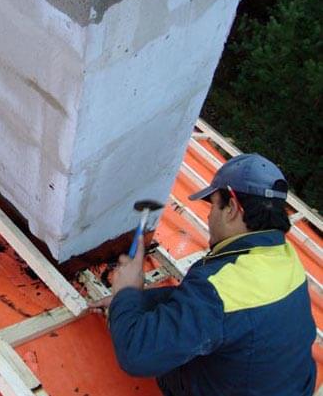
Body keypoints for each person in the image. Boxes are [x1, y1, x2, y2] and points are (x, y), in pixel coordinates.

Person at [91, 153, 316, 395]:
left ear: (231, 208)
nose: (208, 216)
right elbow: (216, 306)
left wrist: (127, 291)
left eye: (213, 205)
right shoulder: (283, 256)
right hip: (287, 386)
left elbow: (136, 355)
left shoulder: (219, 287)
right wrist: (136, 302)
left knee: (170, 363)